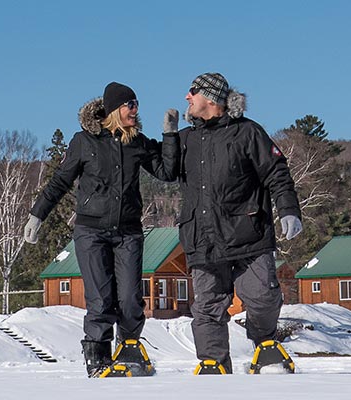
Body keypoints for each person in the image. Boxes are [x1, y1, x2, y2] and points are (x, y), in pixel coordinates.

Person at [24, 81, 178, 377]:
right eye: (129, 104)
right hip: (90, 233)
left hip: (128, 232)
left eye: (136, 104)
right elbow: (60, 181)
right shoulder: (84, 141)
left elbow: (167, 173)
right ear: (114, 109)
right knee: (101, 298)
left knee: (131, 298)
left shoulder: (137, 142)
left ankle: (129, 349)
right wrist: (37, 215)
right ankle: (98, 358)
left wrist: (169, 134)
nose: (135, 109)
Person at [163, 72, 302, 374]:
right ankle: (213, 363)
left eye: (192, 92)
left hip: (247, 234)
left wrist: (288, 209)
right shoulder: (187, 139)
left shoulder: (248, 133)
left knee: (264, 297)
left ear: (211, 99)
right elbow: (167, 171)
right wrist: (170, 136)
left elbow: (277, 172)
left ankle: (266, 345)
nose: (187, 97)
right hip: (203, 239)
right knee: (206, 308)